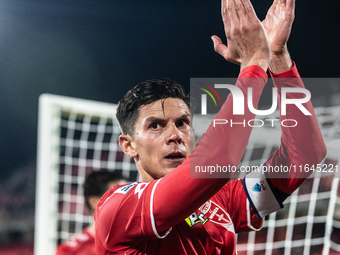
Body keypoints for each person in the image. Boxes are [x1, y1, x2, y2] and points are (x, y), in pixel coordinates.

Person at [95, 0, 327, 254]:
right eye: (156, 126)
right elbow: (218, 163)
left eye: (182, 123)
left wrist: (277, 59)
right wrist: (254, 62)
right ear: (129, 145)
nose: (175, 136)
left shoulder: (222, 199)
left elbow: (305, 155)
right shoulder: (119, 208)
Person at [55, 170, 127, 255]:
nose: (126, 203)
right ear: (95, 202)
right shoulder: (71, 251)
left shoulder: (139, 242)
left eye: (128, 196)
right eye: (118, 198)